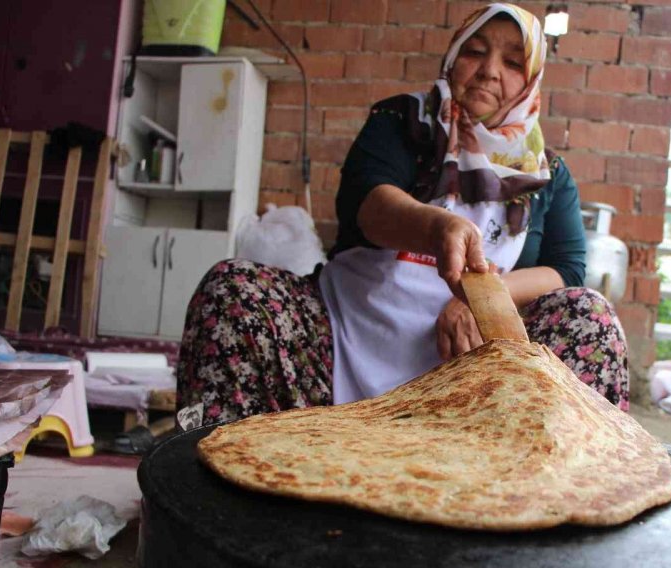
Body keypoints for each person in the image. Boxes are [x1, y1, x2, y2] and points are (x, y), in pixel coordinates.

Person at [178, 2, 629, 425]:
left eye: (513, 62)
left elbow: (567, 269)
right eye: (475, 51)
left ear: (531, 80)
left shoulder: (547, 174)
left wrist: (483, 298)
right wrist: (438, 227)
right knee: (233, 289)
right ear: (453, 58)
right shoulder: (404, 120)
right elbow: (366, 205)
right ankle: (223, 500)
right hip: (340, 341)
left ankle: (551, 494)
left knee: (590, 316)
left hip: (473, 369)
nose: (490, 71)